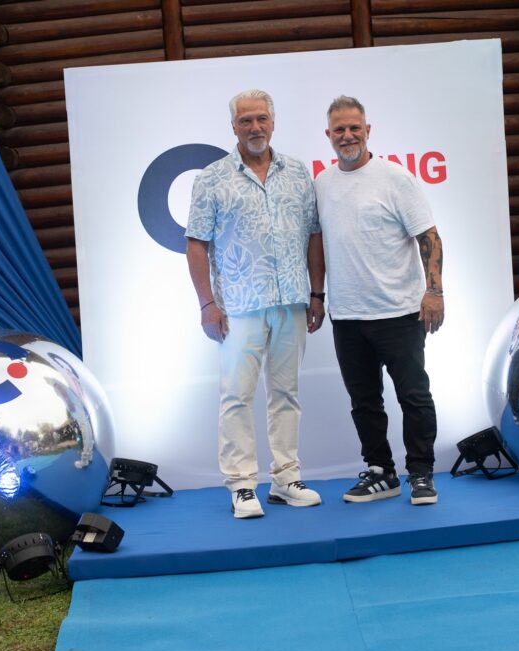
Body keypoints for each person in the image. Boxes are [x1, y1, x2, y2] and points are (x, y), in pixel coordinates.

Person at [185, 89, 326, 519]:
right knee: (237, 397)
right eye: (245, 120)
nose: (255, 127)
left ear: (273, 122)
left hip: (291, 302)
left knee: (286, 393)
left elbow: (313, 235)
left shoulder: (297, 173)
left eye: (261, 118)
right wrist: (207, 304)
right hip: (238, 306)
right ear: (233, 127)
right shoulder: (212, 178)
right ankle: (242, 485)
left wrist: (316, 293)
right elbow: (196, 244)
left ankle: (286, 479)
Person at [314, 95, 444, 506]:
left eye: (355, 128)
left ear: (368, 130)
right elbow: (318, 244)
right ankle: (381, 472)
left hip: (399, 312)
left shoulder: (395, 178)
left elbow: (429, 236)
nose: (348, 135)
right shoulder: (322, 184)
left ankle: (421, 474)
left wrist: (434, 291)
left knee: (414, 396)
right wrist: (317, 296)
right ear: (328, 135)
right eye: (339, 129)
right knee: (364, 402)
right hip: (347, 315)